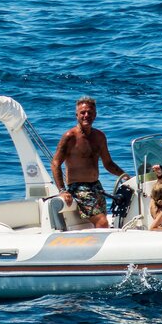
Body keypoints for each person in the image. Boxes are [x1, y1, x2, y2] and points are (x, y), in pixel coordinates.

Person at [52, 96, 126, 228]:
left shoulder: (99, 136)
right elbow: (55, 163)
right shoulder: (70, 137)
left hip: (96, 186)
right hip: (79, 188)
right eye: (83, 113)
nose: (86, 115)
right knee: (102, 222)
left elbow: (108, 163)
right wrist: (63, 190)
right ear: (76, 115)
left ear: (95, 115)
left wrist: (124, 176)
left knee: (107, 220)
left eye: (90, 113)